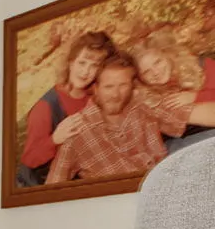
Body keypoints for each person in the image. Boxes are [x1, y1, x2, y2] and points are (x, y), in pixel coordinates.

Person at [47, 52, 182, 184]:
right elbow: (50, 191)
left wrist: (195, 96)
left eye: (123, 85)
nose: (116, 95)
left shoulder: (142, 106)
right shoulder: (77, 131)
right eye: (108, 87)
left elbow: (183, 120)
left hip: (165, 184)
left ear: (132, 85)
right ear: (95, 89)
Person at [18, 30, 114, 186]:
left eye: (94, 66)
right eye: (82, 63)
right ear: (71, 62)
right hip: (40, 183)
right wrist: (55, 139)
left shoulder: (94, 97)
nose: (86, 72)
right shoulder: (45, 107)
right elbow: (30, 159)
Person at [126, 32, 215, 156]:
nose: (155, 72)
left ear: (168, 55)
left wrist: (196, 96)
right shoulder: (150, 98)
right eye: (146, 72)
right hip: (187, 143)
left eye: (157, 62)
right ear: (140, 78)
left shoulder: (201, 65)